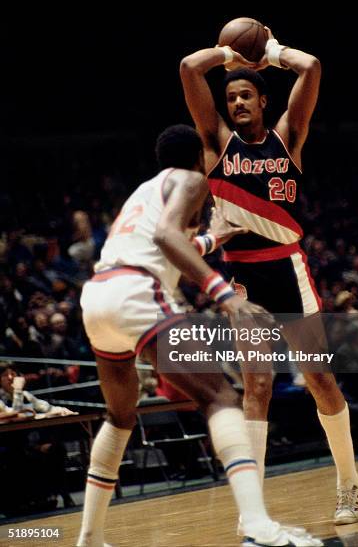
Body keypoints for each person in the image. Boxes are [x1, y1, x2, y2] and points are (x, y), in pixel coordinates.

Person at [77, 124, 321, 547]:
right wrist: (227, 296)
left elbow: (170, 239)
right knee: (221, 398)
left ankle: (90, 538)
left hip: (98, 298)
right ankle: (259, 526)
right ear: (199, 158)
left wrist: (216, 237)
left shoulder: (146, 190)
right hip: (138, 293)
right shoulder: (191, 179)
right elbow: (167, 237)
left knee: (120, 416)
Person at [180, 31, 358, 525]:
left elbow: (313, 66)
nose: (237, 102)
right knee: (256, 386)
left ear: (263, 99)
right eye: (230, 97)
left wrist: (272, 52)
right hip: (246, 280)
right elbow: (188, 69)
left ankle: (348, 486)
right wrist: (228, 54)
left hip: (290, 269)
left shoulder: (288, 137)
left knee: (320, 379)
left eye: (245, 95)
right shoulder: (218, 143)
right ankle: (253, 510)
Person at [0, 363, 75, 514]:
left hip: (33, 441)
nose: (10, 377)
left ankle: (63, 495)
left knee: (57, 449)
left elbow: (45, 407)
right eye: (5, 375)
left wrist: (62, 410)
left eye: (13, 373)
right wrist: (19, 392)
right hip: (11, 445)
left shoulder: (27, 395)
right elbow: (14, 414)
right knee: (18, 457)